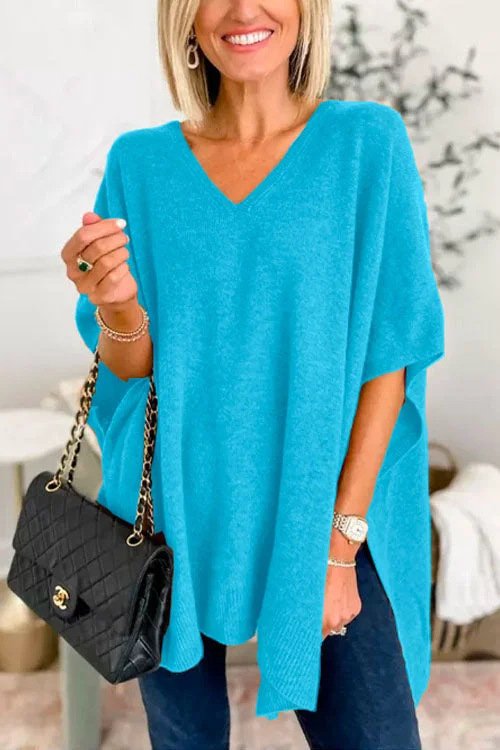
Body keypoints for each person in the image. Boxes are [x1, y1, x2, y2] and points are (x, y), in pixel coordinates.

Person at [61, 0, 445, 747]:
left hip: (323, 509)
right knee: (187, 741)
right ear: (186, 18)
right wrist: (115, 303)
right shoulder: (140, 164)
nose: (243, 10)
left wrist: (339, 548)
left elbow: (389, 363)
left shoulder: (366, 144)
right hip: (171, 517)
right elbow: (132, 367)